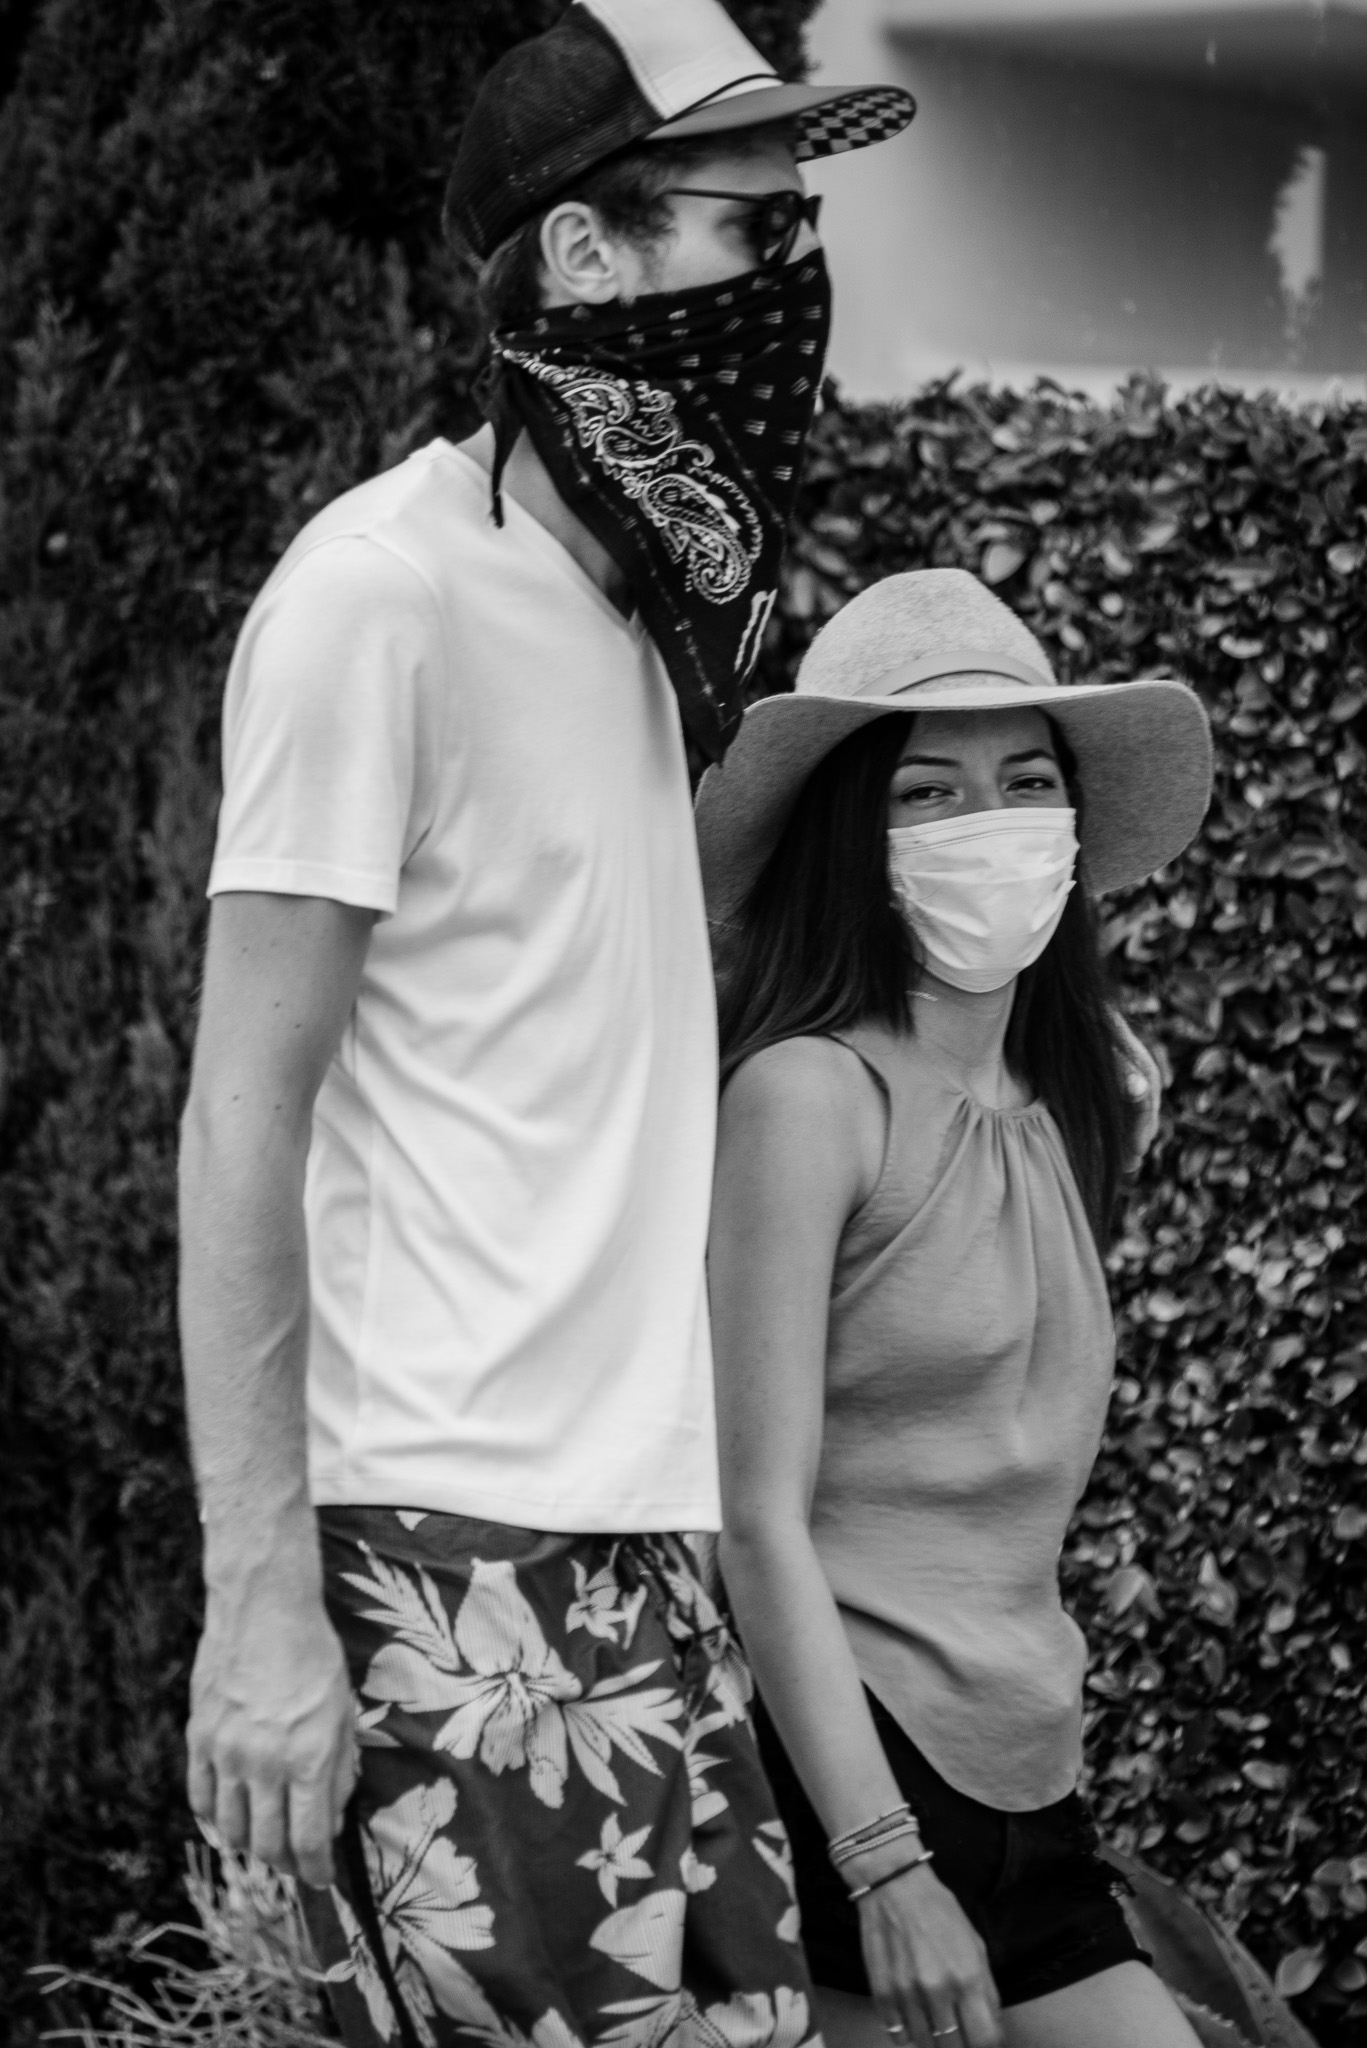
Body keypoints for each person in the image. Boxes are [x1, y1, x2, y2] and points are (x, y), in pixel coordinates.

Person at [177, 1, 916, 2040]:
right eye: (755, 229)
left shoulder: (640, 623)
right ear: (585, 255)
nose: (798, 284)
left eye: (805, 232)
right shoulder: (380, 596)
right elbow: (243, 1112)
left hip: (652, 1543)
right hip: (449, 1550)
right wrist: (261, 1599)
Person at [697, 568, 1214, 2048]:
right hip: (851, 1777)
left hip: (1027, 1769)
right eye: (928, 792)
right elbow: (753, 1521)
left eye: (1026, 781)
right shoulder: (808, 1097)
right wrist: (881, 1865)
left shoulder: (1082, 1101)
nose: (990, 822)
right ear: (852, 838)